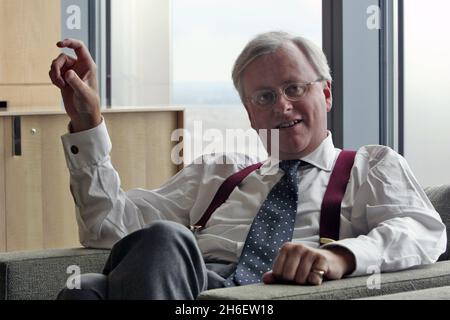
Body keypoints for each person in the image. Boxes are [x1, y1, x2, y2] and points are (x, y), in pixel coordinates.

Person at [49, 31, 446, 300]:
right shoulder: (220, 172)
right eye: (264, 97)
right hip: (192, 289)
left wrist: (340, 256)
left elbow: (423, 231)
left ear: (325, 93)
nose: (282, 106)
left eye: (294, 88)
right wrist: (87, 123)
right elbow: (108, 229)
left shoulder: (370, 166)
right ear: (249, 113)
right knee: (90, 285)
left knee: (137, 259)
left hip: (272, 296)